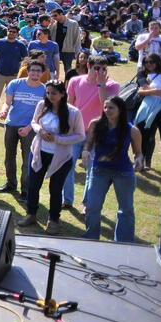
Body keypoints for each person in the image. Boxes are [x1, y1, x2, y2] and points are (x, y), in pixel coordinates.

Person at [17, 81, 85, 234]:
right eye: (47, 93)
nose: (50, 96)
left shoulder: (73, 112)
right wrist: (40, 130)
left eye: (53, 93)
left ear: (62, 94)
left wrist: (58, 139)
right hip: (38, 152)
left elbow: (80, 135)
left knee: (55, 189)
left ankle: (53, 220)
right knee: (33, 185)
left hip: (61, 157)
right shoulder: (42, 105)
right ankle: (31, 214)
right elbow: (34, 122)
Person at [82, 96, 142, 243]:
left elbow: (138, 152)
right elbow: (88, 144)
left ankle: (123, 242)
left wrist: (139, 160)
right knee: (92, 207)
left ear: (120, 110)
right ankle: (91, 239)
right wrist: (86, 151)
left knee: (126, 210)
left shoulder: (132, 130)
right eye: (105, 107)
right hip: (99, 171)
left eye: (111, 107)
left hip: (123, 173)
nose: (107, 110)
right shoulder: (95, 124)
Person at [65, 54, 120, 209]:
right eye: (97, 68)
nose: (100, 72)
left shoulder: (112, 85)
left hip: (98, 134)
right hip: (76, 131)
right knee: (68, 166)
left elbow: (107, 107)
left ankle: (87, 204)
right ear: (88, 66)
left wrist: (101, 85)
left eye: (104, 69)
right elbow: (69, 106)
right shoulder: (75, 81)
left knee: (93, 171)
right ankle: (67, 200)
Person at [0, 61, 47, 196]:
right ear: (27, 70)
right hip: (12, 124)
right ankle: (11, 184)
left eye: (38, 71)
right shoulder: (15, 84)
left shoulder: (44, 90)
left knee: (27, 159)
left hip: (30, 128)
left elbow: (42, 115)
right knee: (9, 156)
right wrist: (4, 111)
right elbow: (7, 103)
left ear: (42, 73)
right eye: (32, 70)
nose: (35, 73)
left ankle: (26, 189)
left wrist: (29, 128)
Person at [0, 25, 28, 122]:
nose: (11, 33)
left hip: (14, 76)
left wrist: (20, 73)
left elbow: (25, 60)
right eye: (10, 31)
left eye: (14, 32)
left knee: (13, 98)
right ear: (7, 31)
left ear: (17, 34)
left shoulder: (21, 45)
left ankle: (11, 117)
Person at [135, 53, 161, 170]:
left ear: (157, 62)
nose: (149, 64)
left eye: (151, 62)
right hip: (147, 108)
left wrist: (150, 89)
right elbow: (141, 91)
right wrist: (157, 90)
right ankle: (145, 161)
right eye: (146, 62)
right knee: (147, 136)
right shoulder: (142, 73)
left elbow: (146, 89)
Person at [49, 8, 81, 72]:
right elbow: (48, 35)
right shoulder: (53, 24)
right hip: (56, 50)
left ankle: (67, 81)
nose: (54, 17)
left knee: (68, 69)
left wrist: (77, 52)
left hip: (68, 50)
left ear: (61, 14)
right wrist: (50, 25)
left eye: (55, 15)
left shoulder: (73, 23)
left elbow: (77, 38)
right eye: (52, 16)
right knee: (53, 68)